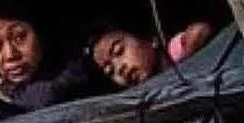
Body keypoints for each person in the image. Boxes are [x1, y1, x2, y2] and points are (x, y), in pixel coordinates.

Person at [89, 18, 217, 89]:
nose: (119, 69)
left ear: (148, 39)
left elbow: (200, 30)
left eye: (119, 51)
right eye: (110, 71)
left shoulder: (174, 51)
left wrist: (182, 69)